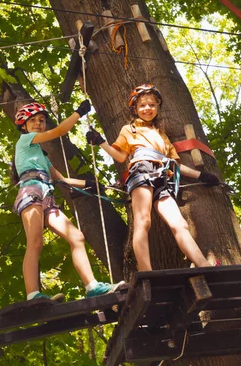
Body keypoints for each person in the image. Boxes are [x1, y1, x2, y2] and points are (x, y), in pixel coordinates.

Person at [86, 84, 220, 271]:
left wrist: (202, 175)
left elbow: (175, 164)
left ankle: (203, 265)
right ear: (135, 109)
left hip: (164, 175)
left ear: (157, 107)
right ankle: (146, 271)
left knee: (179, 223)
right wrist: (100, 142)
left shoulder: (161, 135)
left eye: (151, 105)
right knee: (143, 220)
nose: (147, 108)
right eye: (142, 105)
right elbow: (120, 156)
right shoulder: (129, 129)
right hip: (142, 170)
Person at [12, 100, 123, 301]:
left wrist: (87, 183)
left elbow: (60, 179)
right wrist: (78, 112)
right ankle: (33, 295)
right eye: (33, 120)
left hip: (47, 195)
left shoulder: (42, 156)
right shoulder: (26, 140)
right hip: (31, 192)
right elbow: (61, 130)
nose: (38, 123)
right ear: (24, 125)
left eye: (42, 120)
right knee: (35, 242)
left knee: (77, 237)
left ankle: (92, 286)